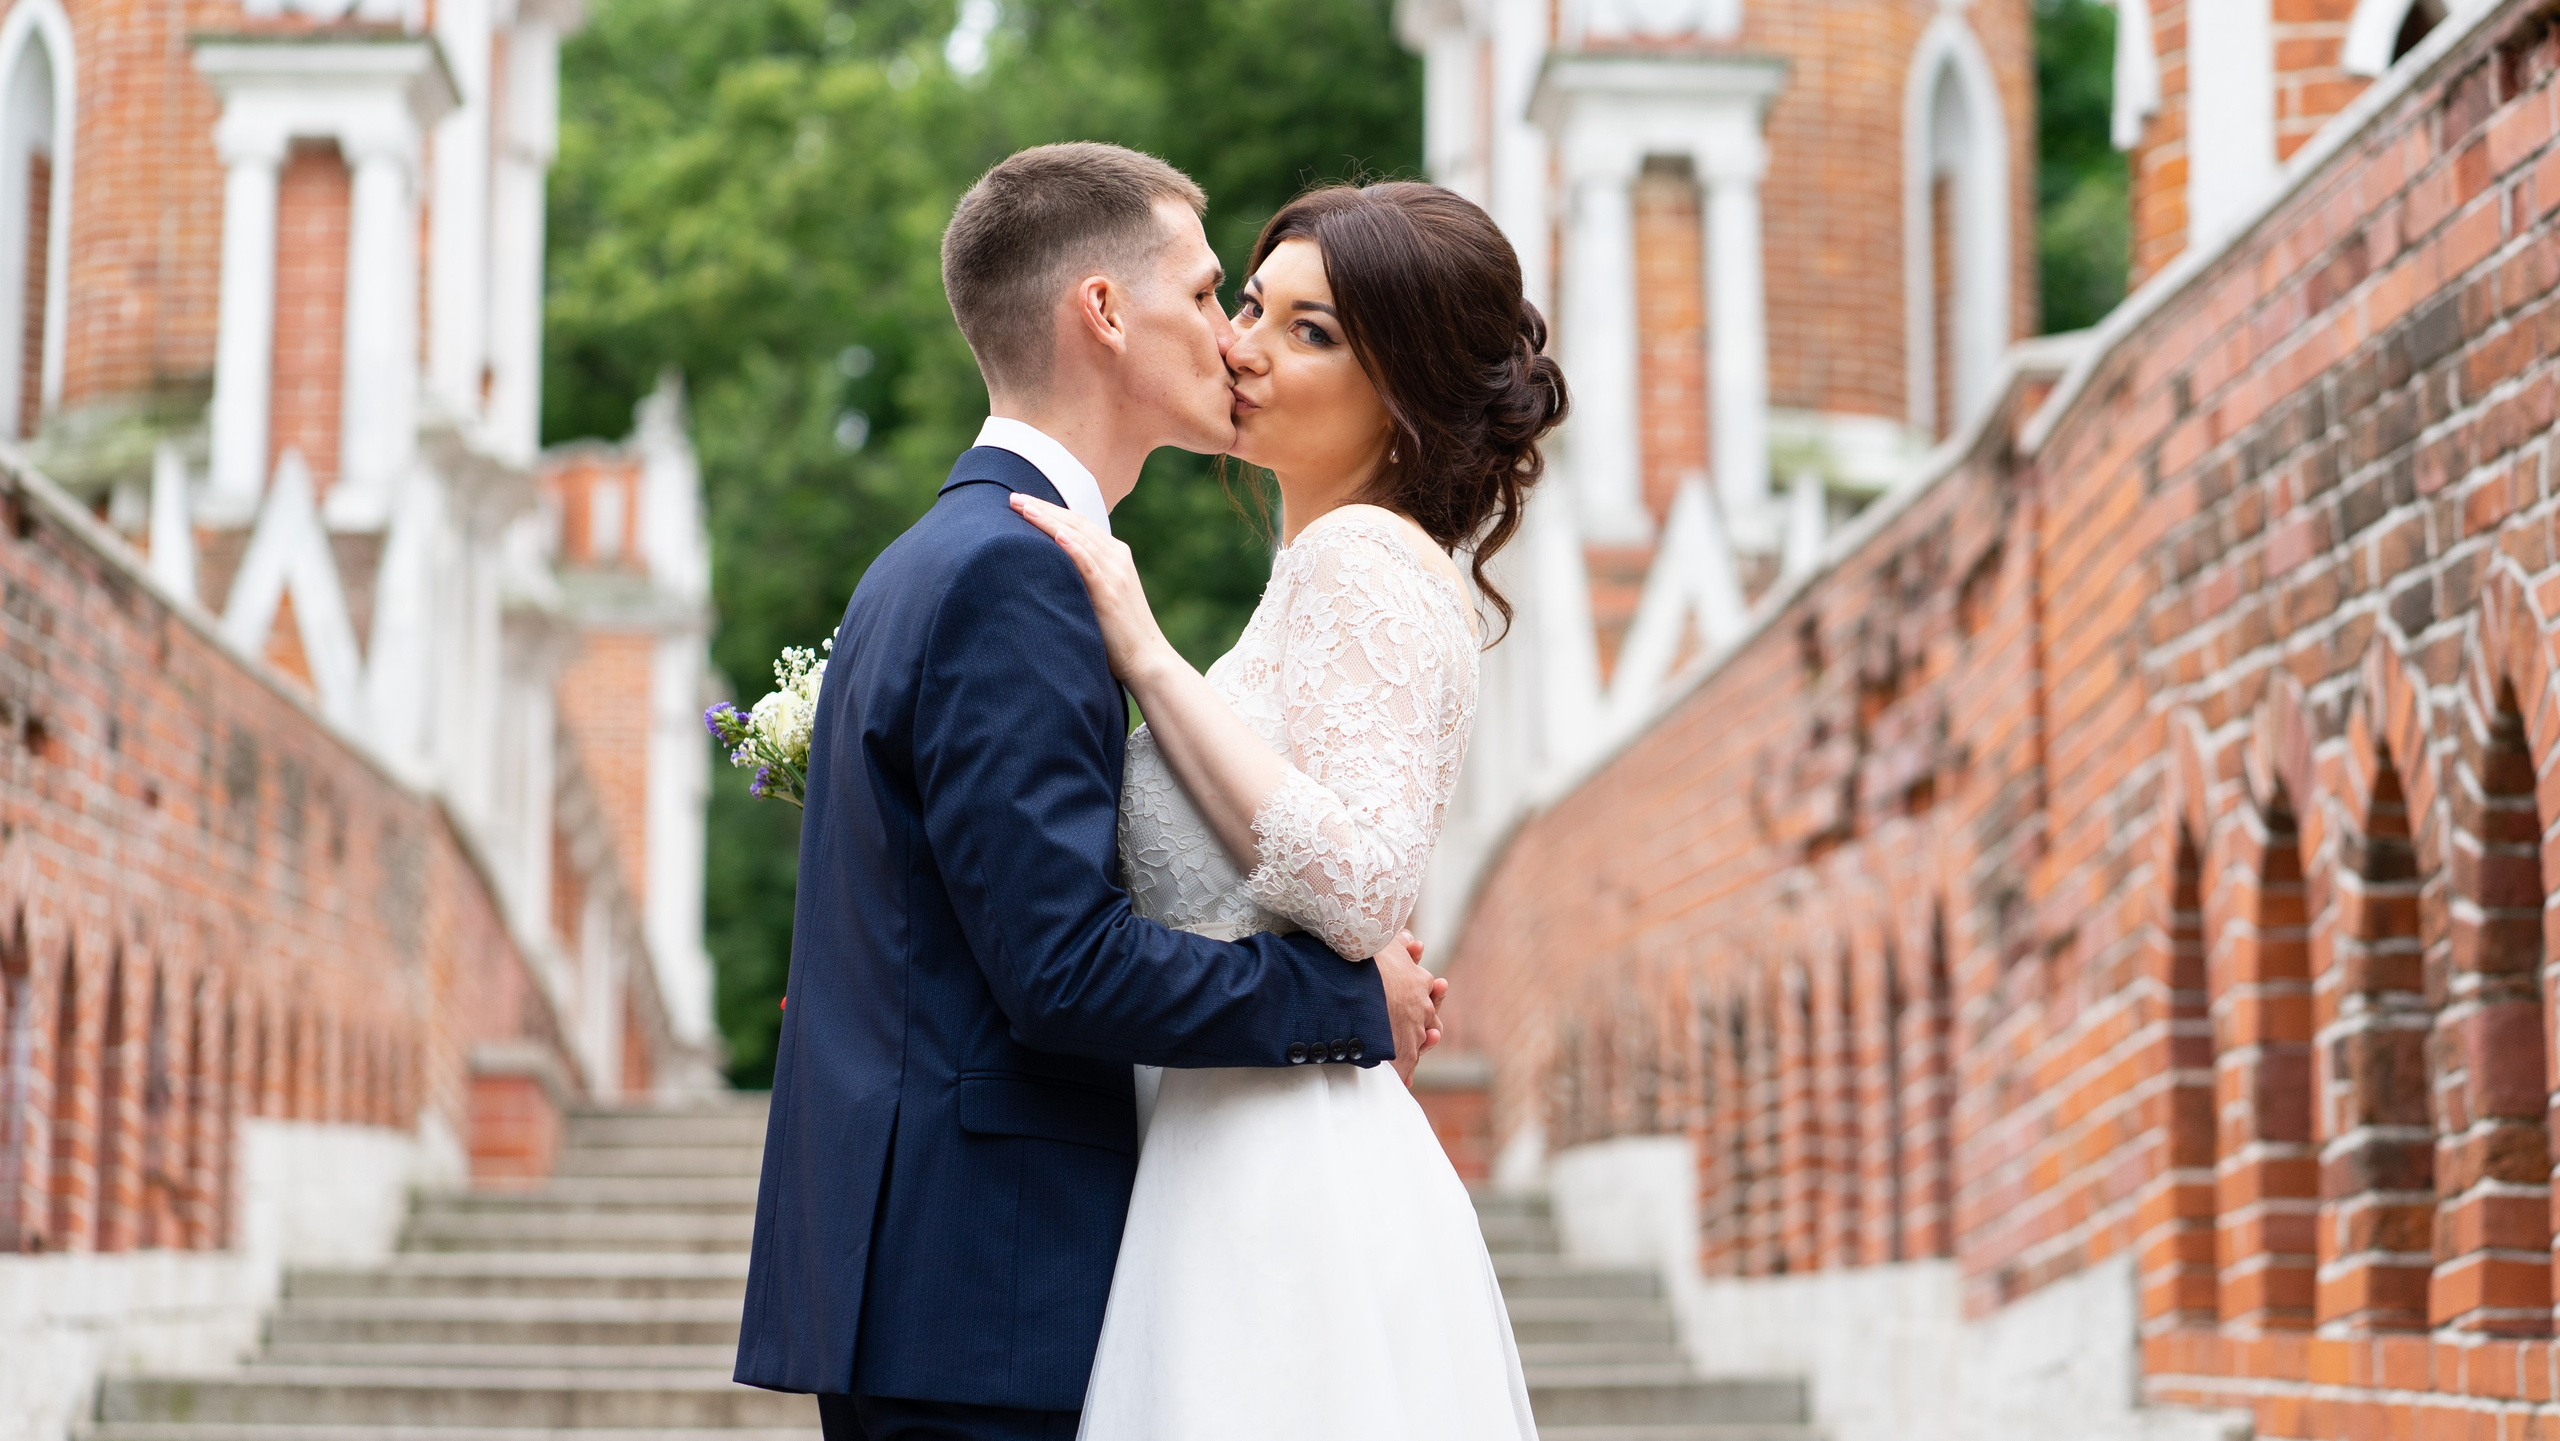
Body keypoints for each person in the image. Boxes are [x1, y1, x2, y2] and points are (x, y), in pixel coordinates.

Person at [733, 144, 1450, 1441]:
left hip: (946, 1289)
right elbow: (1062, 969)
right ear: (1105, 314)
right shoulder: (1011, 571)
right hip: (987, 1300)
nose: (1231, 340)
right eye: (1206, 292)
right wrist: (1349, 995)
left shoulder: (946, 553)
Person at [1011, 180, 1566, 1440]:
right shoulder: (1322, 570)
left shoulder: (1353, 560)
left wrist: (1146, 657)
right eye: (1251, 304)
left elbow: (1367, 883)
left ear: (1405, 390)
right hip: (1231, 1139)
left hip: (1281, 1175)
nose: (1242, 345)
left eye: (1311, 333)